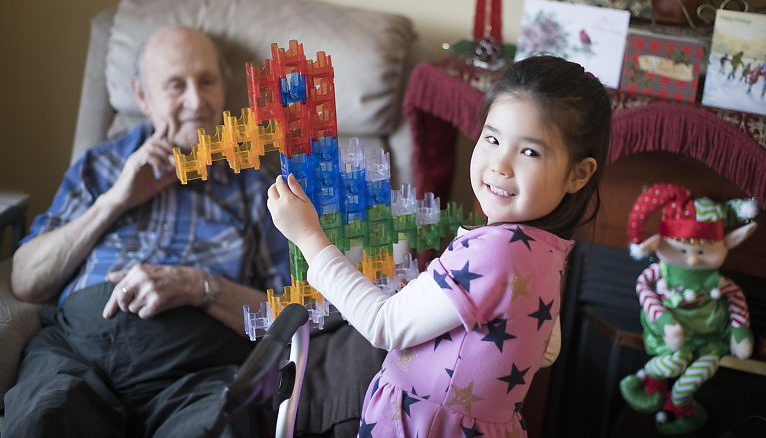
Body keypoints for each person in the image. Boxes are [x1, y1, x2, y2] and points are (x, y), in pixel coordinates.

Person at [5, 25, 383, 437]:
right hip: (76, 354)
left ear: (225, 90)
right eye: (175, 85)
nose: (196, 101)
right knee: (43, 421)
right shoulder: (100, 166)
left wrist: (202, 287)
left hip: (194, 373)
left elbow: (301, 313)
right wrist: (115, 200)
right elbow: (25, 281)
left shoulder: (260, 186)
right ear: (141, 97)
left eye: (207, 82)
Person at [267, 55, 612, 437]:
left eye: (530, 152)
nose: (500, 164)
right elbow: (545, 347)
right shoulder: (548, 250)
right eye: (492, 139)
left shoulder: (494, 253)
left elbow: (384, 325)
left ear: (578, 174)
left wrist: (309, 237)